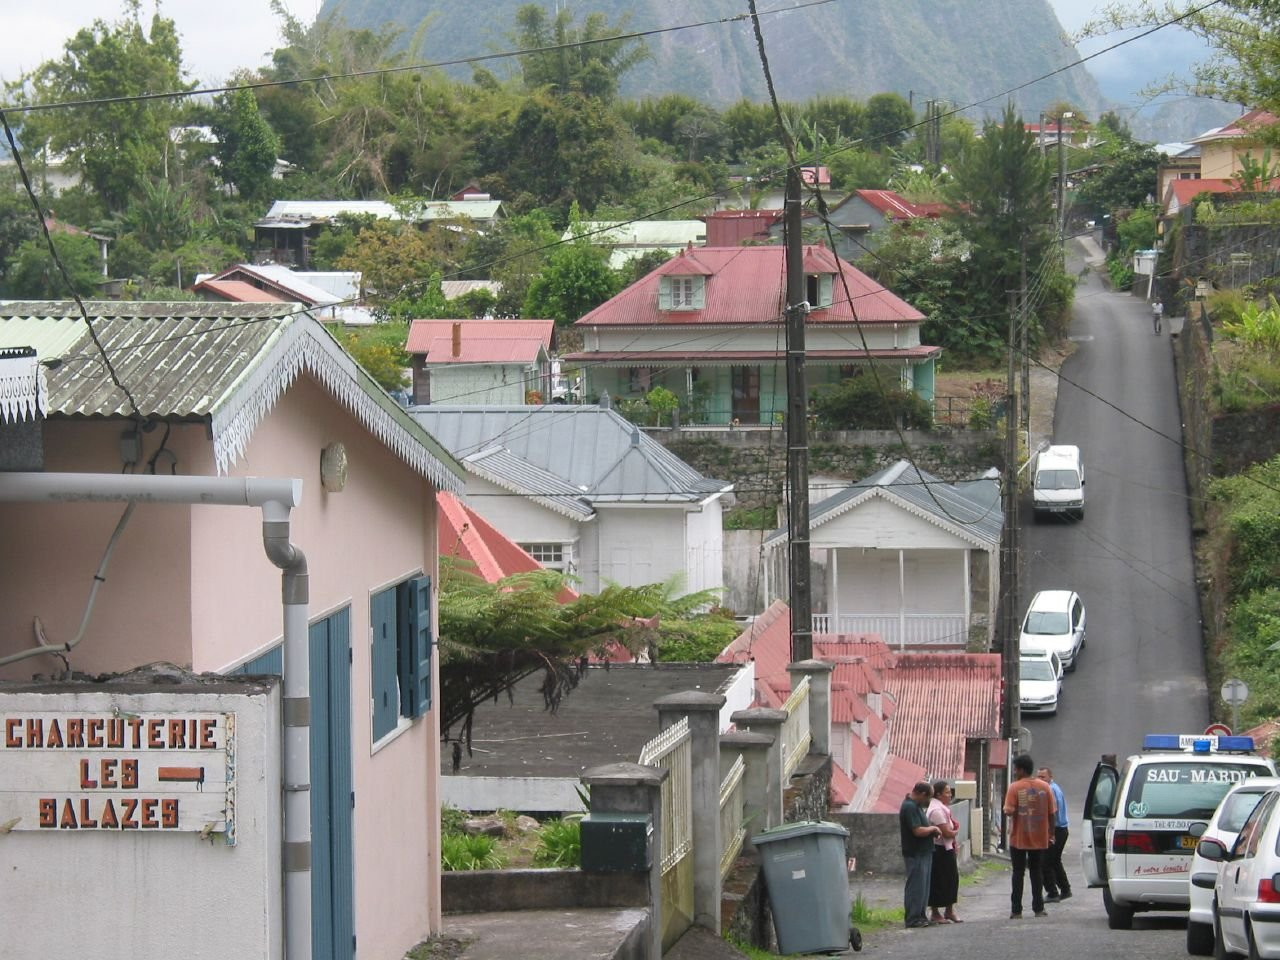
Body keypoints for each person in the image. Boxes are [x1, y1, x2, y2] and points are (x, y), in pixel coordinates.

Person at [1003, 753, 1056, 919]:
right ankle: (1038, 908)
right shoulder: (1045, 787)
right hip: (1040, 837)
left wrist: (1014, 809)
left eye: (1015, 769)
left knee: (1018, 872)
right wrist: (1051, 833)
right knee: (1036, 871)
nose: (1014, 772)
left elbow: (1008, 811)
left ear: (1020, 770)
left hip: (1019, 838)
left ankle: (1016, 910)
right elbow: (1052, 813)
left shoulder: (1014, 787)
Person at [900, 781, 942, 928]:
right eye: (928, 797)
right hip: (915, 852)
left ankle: (921, 916)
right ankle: (913, 917)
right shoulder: (909, 807)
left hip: (924, 851)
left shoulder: (916, 806)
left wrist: (930, 830)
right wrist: (932, 829)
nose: (928, 801)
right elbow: (917, 830)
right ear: (922, 794)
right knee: (916, 886)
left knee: (923, 887)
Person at [927, 779, 963, 924]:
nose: (950, 795)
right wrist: (955, 832)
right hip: (939, 849)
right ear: (939, 794)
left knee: (951, 879)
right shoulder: (936, 810)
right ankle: (935, 912)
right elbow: (946, 832)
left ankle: (949, 910)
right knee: (938, 880)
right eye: (947, 792)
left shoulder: (943, 808)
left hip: (947, 848)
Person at [1038, 766, 1073, 902]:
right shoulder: (1053, 788)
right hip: (1060, 829)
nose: (1040, 779)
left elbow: (1052, 812)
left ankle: (1052, 892)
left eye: (1043, 777)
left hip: (1056, 830)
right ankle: (1065, 889)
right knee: (1054, 861)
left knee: (1045, 862)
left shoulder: (1050, 790)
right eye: (1038, 777)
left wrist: (1049, 833)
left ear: (1050, 777)